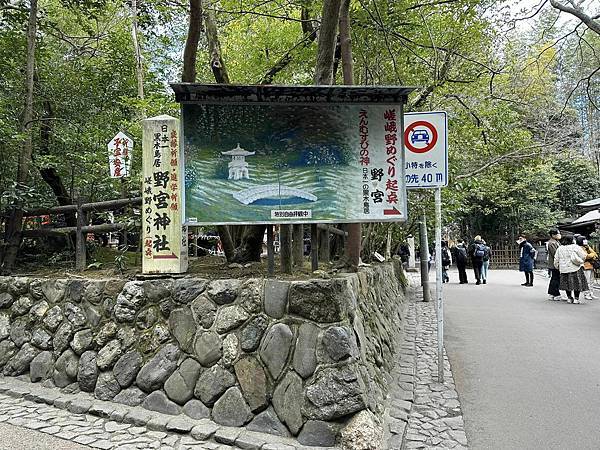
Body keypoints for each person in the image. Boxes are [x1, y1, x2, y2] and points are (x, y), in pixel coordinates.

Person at [554, 235, 588, 303]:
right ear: (572, 240)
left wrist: (557, 267)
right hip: (575, 268)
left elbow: (556, 259)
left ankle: (569, 298)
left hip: (564, 269)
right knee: (577, 284)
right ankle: (576, 299)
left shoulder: (560, 248)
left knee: (567, 284)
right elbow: (584, 255)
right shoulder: (575, 247)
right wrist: (581, 261)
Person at [578, 236, 598, 300]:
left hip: (591, 266)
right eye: (584, 240)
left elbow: (595, 254)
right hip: (585, 266)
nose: (585, 241)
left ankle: (591, 293)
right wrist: (592, 255)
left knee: (591, 281)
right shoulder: (579, 248)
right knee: (587, 281)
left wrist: (589, 250)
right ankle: (586, 294)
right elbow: (586, 256)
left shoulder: (587, 247)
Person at [546, 229, 562, 301]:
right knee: (556, 278)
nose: (559, 235)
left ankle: (552, 293)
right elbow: (555, 254)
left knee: (555, 278)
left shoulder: (556, 242)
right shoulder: (551, 243)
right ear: (553, 235)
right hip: (554, 263)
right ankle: (555, 293)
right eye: (557, 234)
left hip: (556, 263)